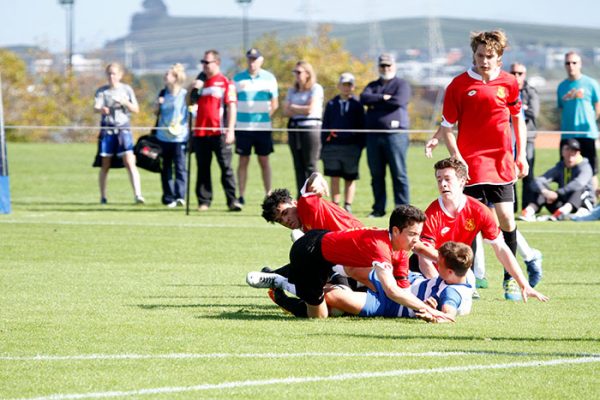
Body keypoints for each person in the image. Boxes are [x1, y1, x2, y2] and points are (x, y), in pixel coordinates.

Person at [425, 30, 537, 300]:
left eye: (490, 56)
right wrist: (457, 156)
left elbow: (517, 119)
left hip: (501, 162)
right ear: (473, 55)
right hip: (471, 163)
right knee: (470, 223)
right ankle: (468, 279)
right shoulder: (458, 85)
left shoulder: (509, 83)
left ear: (499, 58)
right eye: (479, 56)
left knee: (507, 219)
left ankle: (510, 279)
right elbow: (448, 127)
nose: (484, 61)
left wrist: (520, 154)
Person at [246, 205, 453, 321]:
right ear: (396, 231)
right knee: (318, 317)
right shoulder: (380, 246)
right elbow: (391, 291)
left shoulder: (400, 251)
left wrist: (423, 311)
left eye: (419, 234)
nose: (416, 240)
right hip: (309, 253)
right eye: (412, 234)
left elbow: (403, 290)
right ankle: (280, 286)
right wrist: (434, 312)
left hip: (332, 255)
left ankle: (288, 280)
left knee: (337, 296)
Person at [419, 158, 548, 298]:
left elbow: (501, 248)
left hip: (456, 273)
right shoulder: (432, 213)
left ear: (462, 181)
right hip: (427, 274)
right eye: (439, 180)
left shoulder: (479, 210)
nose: (443, 184)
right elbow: (423, 258)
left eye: (447, 179)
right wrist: (437, 287)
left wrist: (524, 284)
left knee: (464, 293)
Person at [325, 241, 475, 321]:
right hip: (403, 279)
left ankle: (331, 288)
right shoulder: (461, 272)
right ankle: (323, 272)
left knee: (332, 297)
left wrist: (433, 315)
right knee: (353, 267)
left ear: (449, 272)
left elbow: (449, 316)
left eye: (439, 264)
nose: (436, 263)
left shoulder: (452, 293)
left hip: (393, 305)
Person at [360, 53, 411, 217]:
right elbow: (364, 98)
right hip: (374, 136)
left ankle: (402, 210)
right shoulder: (372, 85)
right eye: (382, 65)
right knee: (376, 175)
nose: (385, 68)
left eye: (388, 65)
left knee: (399, 174)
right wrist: (383, 98)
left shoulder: (401, 84)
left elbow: (398, 101)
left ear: (394, 66)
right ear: (378, 67)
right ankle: (378, 209)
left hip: (395, 135)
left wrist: (376, 103)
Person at [191, 50, 242, 212]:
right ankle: (204, 201)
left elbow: (232, 107)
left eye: (208, 62)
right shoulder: (200, 83)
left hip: (219, 132)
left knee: (226, 168)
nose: (204, 66)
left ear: (217, 63)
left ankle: (232, 200)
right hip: (200, 133)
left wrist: (231, 130)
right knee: (203, 168)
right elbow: (189, 102)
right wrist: (193, 88)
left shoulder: (226, 82)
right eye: (203, 62)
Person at [233, 48, 279, 205]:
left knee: (264, 160)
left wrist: (265, 118)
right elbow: (232, 103)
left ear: (261, 60)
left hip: (262, 128)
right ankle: (241, 196)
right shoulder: (238, 79)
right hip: (243, 128)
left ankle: (269, 195)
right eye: (250, 59)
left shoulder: (269, 78)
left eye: (255, 59)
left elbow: (274, 103)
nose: (252, 62)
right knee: (243, 161)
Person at [93, 62, 144, 205]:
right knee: (105, 164)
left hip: (123, 130)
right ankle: (103, 197)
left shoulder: (126, 90)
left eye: (114, 73)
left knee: (130, 161)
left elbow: (136, 109)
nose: (111, 76)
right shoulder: (102, 91)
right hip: (107, 130)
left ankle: (138, 195)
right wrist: (101, 109)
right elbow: (95, 107)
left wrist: (124, 102)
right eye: (109, 73)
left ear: (120, 75)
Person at [321, 72, 365, 214]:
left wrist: (359, 145)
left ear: (353, 87)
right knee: (334, 176)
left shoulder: (357, 105)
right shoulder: (332, 104)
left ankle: (347, 205)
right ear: (339, 86)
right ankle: (335, 204)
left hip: (352, 146)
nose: (346, 88)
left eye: (349, 85)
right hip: (333, 145)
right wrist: (325, 143)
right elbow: (325, 125)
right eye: (344, 85)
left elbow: (362, 126)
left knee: (350, 176)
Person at [520, 139, 595, 221]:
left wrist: (558, 193)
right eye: (568, 150)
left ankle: (561, 213)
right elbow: (539, 180)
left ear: (578, 153)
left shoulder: (585, 166)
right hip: (562, 202)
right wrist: (545, 192)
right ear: (562, 152)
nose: (570, 153)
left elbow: (579, 183)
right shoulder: (560, 166)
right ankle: (529, 211)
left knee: (578, 188)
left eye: (574, 151)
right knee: (540, 187)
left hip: (582, 205)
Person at [557, 51, 600, 194]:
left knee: (591, 169)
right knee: (566, 169)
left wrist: (591, 122)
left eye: (574, 62)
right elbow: (562, 108)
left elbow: (597, 106)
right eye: (568, 63)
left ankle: (593, 202)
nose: (571, 66)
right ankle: (566, 201)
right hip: (567, 134)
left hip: (586, 134)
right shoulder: (562, 86)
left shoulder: (591, 83)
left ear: (580, 64)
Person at [284, 61, 324, 197]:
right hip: (295, 129)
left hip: (311, 128)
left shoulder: (316, 88)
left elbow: (309, 109)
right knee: (298, 165)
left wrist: (293, 107)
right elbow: (286, 111)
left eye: (299, 72)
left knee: (311, 164)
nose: (296, 75)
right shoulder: (292, 90)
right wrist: (298, 108)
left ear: (307, 73)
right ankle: (301, 196)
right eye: (295, 72)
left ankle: (313, 196)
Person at [154, 63, 188, 208]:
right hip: (163, 136)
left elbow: (190, 113)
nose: (165, 76)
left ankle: (180, 195)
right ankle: (169, 197)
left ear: (175, 77)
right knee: (166, 167)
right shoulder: (163, 94)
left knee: (180, 167)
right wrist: (158, 105)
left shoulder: (184, 95)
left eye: (168, 74)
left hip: (179, 137)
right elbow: (156, 113)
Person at [510, 63, 540, 211]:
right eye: (513, 73)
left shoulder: (531, 91)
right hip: (509, 138)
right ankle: (512, 206)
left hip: (527, 138)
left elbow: (534, 112)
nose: (516, 76)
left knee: (527, 172)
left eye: (519, 73)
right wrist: (522, 109)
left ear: (524, 75)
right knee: (510, 173)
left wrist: (517, 110)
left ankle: (527, 207)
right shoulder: (506, 89)